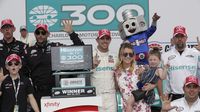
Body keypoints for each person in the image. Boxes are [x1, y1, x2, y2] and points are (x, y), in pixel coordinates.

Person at [24, 20, 84, 110]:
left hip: (55, 91)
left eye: (43, 32)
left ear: (48, 34)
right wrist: (27, 94)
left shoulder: (56, 47)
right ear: (35, 34)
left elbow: (80, 48)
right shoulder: (28, 51)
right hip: (37, 93)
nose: (40, 35)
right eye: (38, 32)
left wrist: (71, 33)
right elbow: (23, 73)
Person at [162, 25, 200, 101]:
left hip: (193, 95)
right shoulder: (165, 55)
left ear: (186, 38)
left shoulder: (196, 53)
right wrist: (166, 93)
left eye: (182, 36)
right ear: (173, 39)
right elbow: (165, 78)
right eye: (177, 37)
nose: (180, 39)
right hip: (174, 96)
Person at [125, 47, 168, 112]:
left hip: (145, 91)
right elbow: (140, 74)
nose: (152, 61)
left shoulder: (158, 69)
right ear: (148, 60)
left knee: (129, 102)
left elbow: (163, 77)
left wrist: (165, 69)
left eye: (155, 60)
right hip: (141, 88)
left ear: (159, 61)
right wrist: (141, 72)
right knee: (132, 104)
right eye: (150, 60)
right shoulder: (147, 67)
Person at [114, 43, 152, 112]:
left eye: (130, 54)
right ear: (120, 55)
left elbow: (152, 81)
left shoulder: (140, 68)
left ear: (133, 56)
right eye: (125, 54)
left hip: (142, 108)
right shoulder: (116, 72)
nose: (128, 56)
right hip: (127, 108)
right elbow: (117, 89)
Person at [91, 29, 117, 112]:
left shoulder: (115, 57)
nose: (105, 41)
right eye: (102, 38)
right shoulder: (91, 55)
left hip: (111, 96)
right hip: (96, 95)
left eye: (107, 38)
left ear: (110, 40)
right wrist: (91, 66)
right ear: (97, 40)